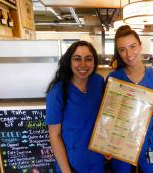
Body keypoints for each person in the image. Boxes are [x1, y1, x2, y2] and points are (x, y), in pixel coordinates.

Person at [107, 25, 153, 173]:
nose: (129, 54)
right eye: (122, 49)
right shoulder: (114, 78)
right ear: (118, 53)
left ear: (140, 46)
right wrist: (105, 143)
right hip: (120, 140)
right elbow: (108, 115)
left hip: (146, 140)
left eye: (132, 46)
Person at [45, 40, 104, 173]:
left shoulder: (98, 81)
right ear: (69, 61)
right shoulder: (57, 93)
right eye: (77, 59)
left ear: (94, 62)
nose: (83, 64)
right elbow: (55, 136)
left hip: (96, 160)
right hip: (71, 163)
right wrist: (66, 171)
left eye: (88, 59)